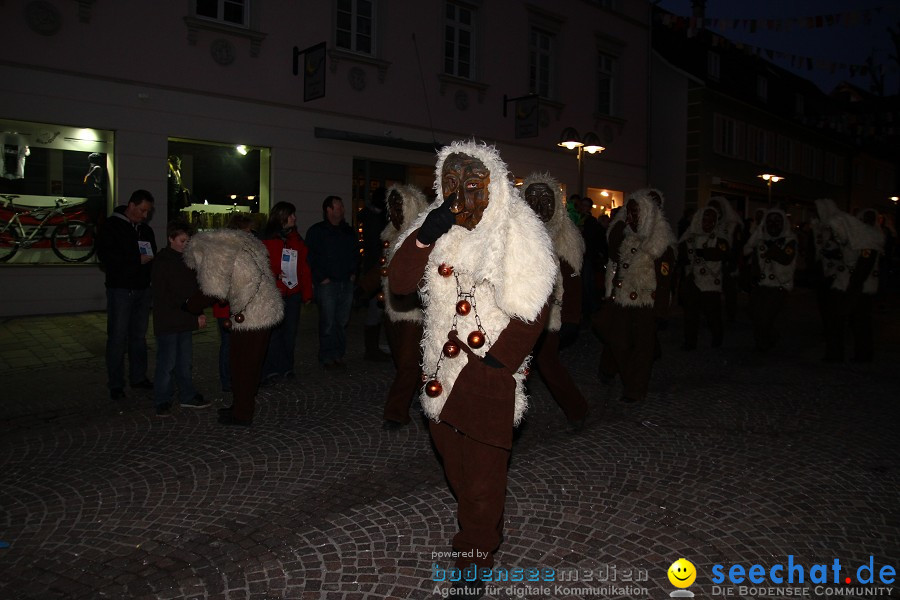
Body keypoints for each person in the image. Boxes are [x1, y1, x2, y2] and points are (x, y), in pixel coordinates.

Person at [388, 140, 557, 598]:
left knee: (483, 475)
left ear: (494, 188)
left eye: (473, 186)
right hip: (440, 371)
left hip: (489, 370)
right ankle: (482, 521)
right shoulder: (435, 223)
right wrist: (427, 233)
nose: (461, 195)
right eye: (451, 184)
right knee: (456, 465)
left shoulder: (516, 229)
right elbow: (400, 284)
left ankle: (474, 551)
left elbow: (534, 306)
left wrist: (497, 366)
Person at [183, 229, 284, 426]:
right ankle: (240, 406)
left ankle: (243, 414)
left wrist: (189, 305)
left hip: (253, 314)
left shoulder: (215, 252)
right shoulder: (244, 244)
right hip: (264, 308)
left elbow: (212, 291)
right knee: (246, 364)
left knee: (244, 366)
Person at [521, 172, 589, 429]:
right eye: (533, 198)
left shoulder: (565, 236)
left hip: (551, 315)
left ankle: (577, 408)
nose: (539, 205)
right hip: (517, 311)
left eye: (545, 198)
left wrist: (572, 317)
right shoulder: (515, 232)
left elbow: (573, 279)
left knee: (547, 363)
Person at [596, 189, 675, 403]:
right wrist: (621, 222)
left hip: (646, 303)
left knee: (642, 349)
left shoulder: (660, 243)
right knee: (618, 341)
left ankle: (635, 389)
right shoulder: (626, 236)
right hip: (622, 299)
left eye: (634, 213)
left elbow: (665, 279)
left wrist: (660, 310)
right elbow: (614, 257)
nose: (630, 217)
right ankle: (629, 377)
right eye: (627, 213)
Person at [377, 184, 429, 429]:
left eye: (400, 206)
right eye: (392, 206)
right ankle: (425, 394)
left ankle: (395, 413)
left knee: (408, 363)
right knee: (404, 361)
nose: (395, 212)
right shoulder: (390, 235)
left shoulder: (421, 237)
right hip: (391, 310)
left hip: (414, 311)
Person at [96, 189, 157, 400]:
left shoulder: (145, 230)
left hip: (142, 289)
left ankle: (138, 377)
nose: (145, 215)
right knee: (117, 337)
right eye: (142, 210)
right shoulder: (112, 227)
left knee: (138, 337)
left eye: (148, 212)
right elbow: (105, 256)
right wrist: (134, 260)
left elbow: (152, 255)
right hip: (121, 289)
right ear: (131, 205)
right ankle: (116, 383)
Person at [151, 220, 210, 417]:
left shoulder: (188, 260)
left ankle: (187, 395)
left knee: (184, 361)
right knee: (167, 362)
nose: (186, 244)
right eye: (182, 240)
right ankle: (162, 399)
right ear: (171, 239)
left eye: (188, 240)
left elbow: (193, 290)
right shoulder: (163, 262)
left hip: (184, 319)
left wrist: (197, 311)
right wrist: (192, 313)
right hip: (170, 321)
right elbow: (168, 297)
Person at [260, 202, 314, 384]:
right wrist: (275, 274)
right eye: (291, 215)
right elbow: (260, 267)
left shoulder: (296, 239)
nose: (294, 218)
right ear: (281, 216)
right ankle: (271, 368)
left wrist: (307, 293)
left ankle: (287, 367)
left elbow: (304, 268)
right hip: (273, 293)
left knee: (289, 333)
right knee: (273, 333)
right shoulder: (266, 239)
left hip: (293, 293)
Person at [821, 206, 884, 362]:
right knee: (836, 320)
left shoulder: (870, 238)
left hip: (861, 287)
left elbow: (864, 266)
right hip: (844, 282)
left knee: (860, 322)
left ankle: (863, 355)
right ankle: (835, 353)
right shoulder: (853, 236)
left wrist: (852, 290)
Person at [305, 196, 359, 370]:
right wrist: (321, 278)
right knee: (328, 321)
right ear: (328, 209)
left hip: (346, 282)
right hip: (327, 284)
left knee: (341, 321)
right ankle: (327, 355)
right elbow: (311, 256)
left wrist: (353, 273)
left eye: (342, 207)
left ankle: (338, 354)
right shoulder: (317, 231)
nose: (342, 210)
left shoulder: (348, 231)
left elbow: (355, 254)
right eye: (338, 207)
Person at [213, 213, 256, 403]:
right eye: (247, 231)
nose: (250, 235)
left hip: (241, 305)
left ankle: (237, 378)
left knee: (240, 345)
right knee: (228, 344)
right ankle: (227, 380)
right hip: (227, 307)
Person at [743, 208, 797, 352]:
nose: (773, 224)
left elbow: (786, 258)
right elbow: (753, 258)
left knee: (766, 316)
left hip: (779, 285)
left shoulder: (790, 240)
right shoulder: (761, 240)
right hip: (761, 284)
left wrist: (771, 248)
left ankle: (764, 343)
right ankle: (766, 338)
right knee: (754, 313)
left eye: (777, 221)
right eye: (770, 221)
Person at [677, 205, 729, 350]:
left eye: (712, 221)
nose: (708, 223)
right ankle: (690, 342)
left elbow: (722, 253)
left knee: (712, 315)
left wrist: (703, 252)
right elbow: (680, 253)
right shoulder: (690, 236)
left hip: (711, 282)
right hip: (693, 280)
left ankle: (717, 338)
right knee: (690, 314)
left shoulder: (720, 238)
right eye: (705, 220)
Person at [358, 187, 392, 361]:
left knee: (378, 311)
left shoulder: (376, 218)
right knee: (375, 310)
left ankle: (373, 348)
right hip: (375, 270)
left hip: (378, 268)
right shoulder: (374, 219)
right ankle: (371, 349)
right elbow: (375, 247)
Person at [706, 196, 743, 323]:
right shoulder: (709, 224)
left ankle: (730, 316)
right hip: (711, 265)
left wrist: (732, 264)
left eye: (717, 208)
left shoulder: (732, 225)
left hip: (727, 265)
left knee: (730, 292)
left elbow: (737, 247)